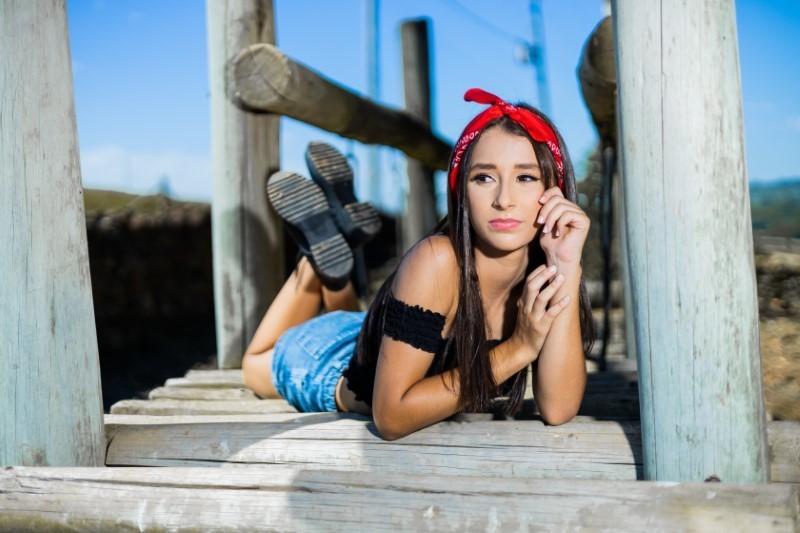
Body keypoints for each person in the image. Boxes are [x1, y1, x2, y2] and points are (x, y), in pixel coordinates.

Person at [242, 88, 593, 441]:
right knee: (254, 366)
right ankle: (316, 265)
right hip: (328, 361)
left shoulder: (548, 269)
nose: (503, 200)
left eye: (526, 177)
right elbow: (391, 417)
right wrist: (519, 348)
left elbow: (558, 408)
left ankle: (334, 263)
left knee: (362, 327)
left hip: (387, 338)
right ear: (461, 191)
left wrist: (566, 265)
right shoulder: (437, 262)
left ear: (555, 191)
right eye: (484, 178)